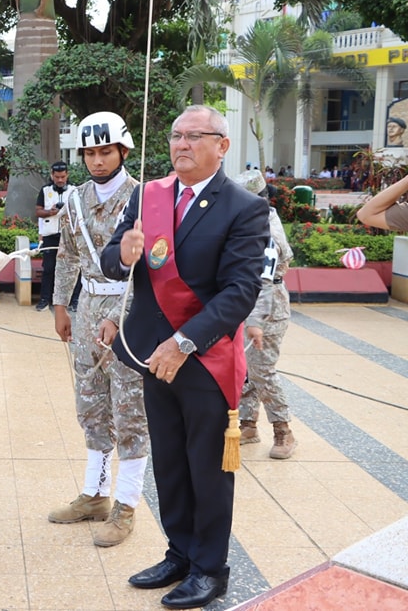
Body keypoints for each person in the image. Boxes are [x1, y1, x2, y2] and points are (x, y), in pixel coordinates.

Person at [100, 105, 269, 609]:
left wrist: (185, 342)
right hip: (154, 354)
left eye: (196, 136)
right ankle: (179, 552)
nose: (182, 144)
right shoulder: (148, 196)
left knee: (207, 468)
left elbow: (239, 292)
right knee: (170, 461)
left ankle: (209, 568)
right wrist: (123, 254)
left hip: (205, 359)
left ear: (223, 145)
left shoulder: (243, 207)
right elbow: (112, 262)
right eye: (176, 135)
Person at [47, 111, 148, 548]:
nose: (97, 160)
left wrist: (124, 317)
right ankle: (94, 494)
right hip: (86, 306)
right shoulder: (74, 199)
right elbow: (67, 254)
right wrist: (59, 304)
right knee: (89, 404)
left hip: (130, 306)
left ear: (123, 151)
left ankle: (125, 506)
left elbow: (152, 268)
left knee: (130, 410)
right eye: (89, 152)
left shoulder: (144, 198)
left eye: (105, 151)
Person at [236, 170, 297, 460]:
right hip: (249, 302)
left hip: (268, 305)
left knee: (262, 368)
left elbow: (267, 277)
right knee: (247, 367)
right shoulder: (257, 219)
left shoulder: (265, 228)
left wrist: (255, 321)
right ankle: (248, 425)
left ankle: (283, 430)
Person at [34, 161, 80, 311]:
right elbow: (38, 212)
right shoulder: (45, 190)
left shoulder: (75, 191)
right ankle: (44, 300)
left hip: (70, 236)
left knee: (74, 268)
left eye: (63, 177)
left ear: (67, 175)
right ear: (52, 176)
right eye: (57, 177)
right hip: (50, 235)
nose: (60, 180)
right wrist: (50, 212)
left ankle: (75, 300)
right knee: (49, 269)